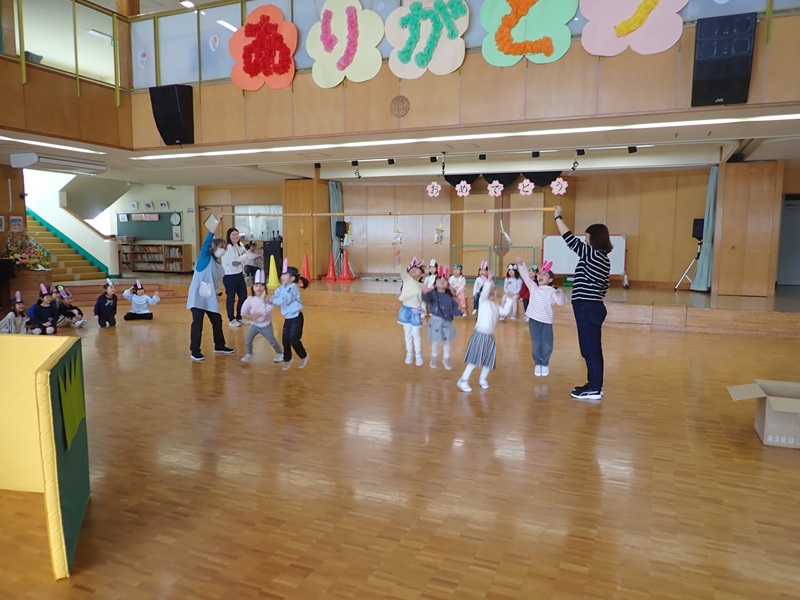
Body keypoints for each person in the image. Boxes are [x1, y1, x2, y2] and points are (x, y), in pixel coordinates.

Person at [553, 205, 612, 401]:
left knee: (589, 349)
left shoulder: (592, 254)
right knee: (592, 348)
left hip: (587, 307)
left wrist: (558, 217)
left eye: (587, 238)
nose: (585, 241)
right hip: (592, 307)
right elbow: (604, 287)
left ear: (595, 239)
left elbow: (569, 239)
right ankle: (594, 384)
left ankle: (594, 388)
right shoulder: (603, 259)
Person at [187, 215, 234, 361]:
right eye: (222, 247)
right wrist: (218, 222)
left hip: (210, 295)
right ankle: (195, 351)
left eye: (225, 248)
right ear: (214, 247)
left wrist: (218, 293)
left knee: (217, 320)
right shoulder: (205, 256)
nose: (223, 250)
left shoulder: (218, 265)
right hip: (198, 295)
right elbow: (208, 238)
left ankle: (219, 345)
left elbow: (215, 281)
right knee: (197, 323)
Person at [457, 271, 510, 392]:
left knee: (488, 360)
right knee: (474, 360)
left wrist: (510, 300)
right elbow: (485, 292)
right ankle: (463, 380)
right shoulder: (483, 301)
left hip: (490, 336)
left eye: (494, 289)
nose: (492, 291)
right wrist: (489, 281)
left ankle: (482, 379)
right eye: (489, 289)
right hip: (480, 334)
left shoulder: (496, 306)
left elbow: (505, 311)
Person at [517, 257, 568, 377]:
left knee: (547, 345)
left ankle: (545, 363)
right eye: (539, 273)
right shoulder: (533, 287)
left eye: (544, 274)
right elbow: (525, 276)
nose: (540, 275)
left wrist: (559, 294)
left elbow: (562, 302)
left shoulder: (552, 291)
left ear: (550, 279)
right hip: (534, 320)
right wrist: (521, 264)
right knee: (536, 345)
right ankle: (537, 363)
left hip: (546, 322)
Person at [422, 267, 465, 370]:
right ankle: (434, 357)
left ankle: (446, 358)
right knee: (435, 341)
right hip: (435, 322)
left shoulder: (450, 298)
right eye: (439, 279)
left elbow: (454, 310)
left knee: (447, 341)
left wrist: (460, 312)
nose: (442, 281)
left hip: (446, 323)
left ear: (447, 285)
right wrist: (424, 292)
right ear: (435, 284)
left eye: (445, 280)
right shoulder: (433, 294)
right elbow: (427, 299)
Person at [240, 269, 284, 363]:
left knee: (272, 340)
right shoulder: (250, 299)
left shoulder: (268, 298)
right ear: (253, 287)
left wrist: (260, 313)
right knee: (248, 339)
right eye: (256, 285)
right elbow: (244, 309)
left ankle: (279, 353)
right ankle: (249, 353)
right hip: (254, 325)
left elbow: (269, 308)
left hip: (266, 325)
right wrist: (246, 315)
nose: (259, 288)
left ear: (265, 287)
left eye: (261, 285)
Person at [271, 265, 309, 370]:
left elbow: (285, 300)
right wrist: (270, 298)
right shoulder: (282, 287)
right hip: (288, 318)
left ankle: (303, 356)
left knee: (294, 339)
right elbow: (276, 294)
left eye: (285, 274)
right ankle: (288, 359)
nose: (282, 276)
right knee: (285, 340)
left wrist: (272, 300)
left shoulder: (293, 288)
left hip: (296, 318)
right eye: (282, 274)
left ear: (292, 278)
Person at [397, 256, 425, 366]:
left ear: (422, 275)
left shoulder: (422, 286)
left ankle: (418, 354)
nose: (413, 269)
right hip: (405, 310)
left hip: (416, 312)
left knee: (416, 334)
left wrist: (423, 314)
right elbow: (401, 269)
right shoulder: (407, 279)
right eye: (412, 268)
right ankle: (409, 353)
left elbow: (423, 301)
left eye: (417, 269)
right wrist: (398, 260)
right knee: (407, 333)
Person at [221, 227, 248, 327]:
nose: (236, 236)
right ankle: (231, 319)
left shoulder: (240, 245)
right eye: (233, 235)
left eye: (237, 234)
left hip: (239, 274)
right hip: (229, 276)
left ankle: (239, 317)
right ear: (229, 236)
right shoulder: (228, 247)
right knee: (231, 298)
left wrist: (242, 257)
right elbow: (234, 262)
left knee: (243, 296)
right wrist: (244, 256)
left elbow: (243, 258)